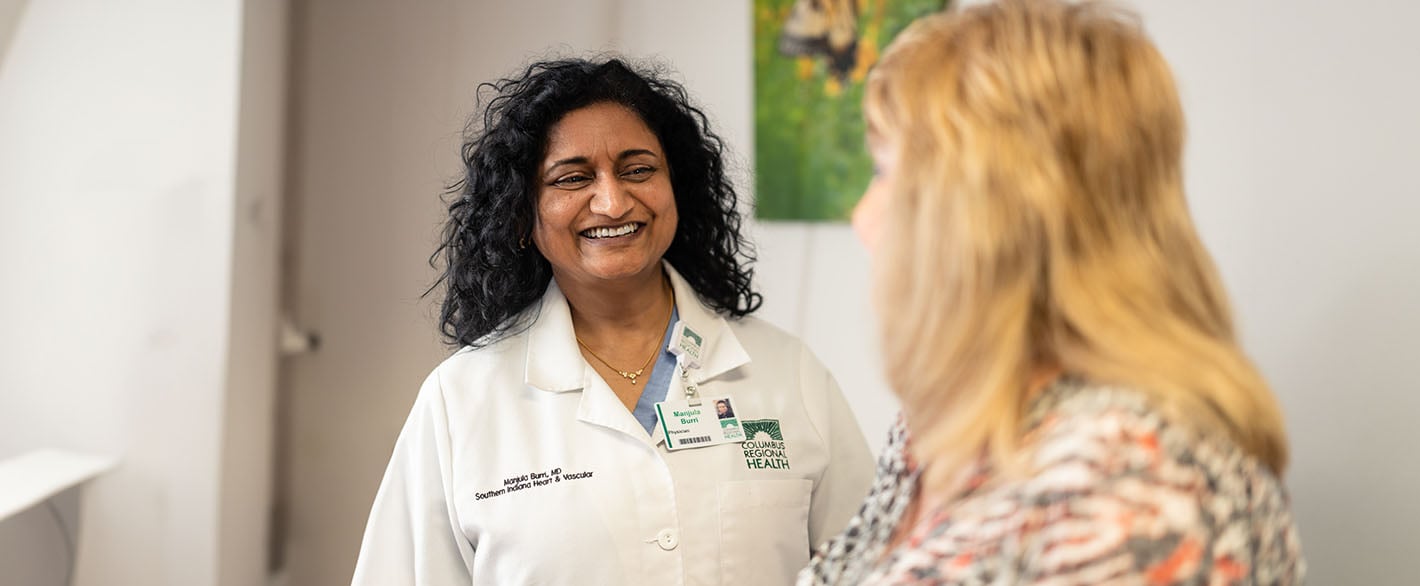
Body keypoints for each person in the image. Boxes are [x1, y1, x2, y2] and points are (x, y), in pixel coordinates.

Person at [800, 1, 1306, 584]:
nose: (863, 218)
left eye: (888, 174)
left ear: (995, 217)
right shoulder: (944, 422)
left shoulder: (1136, 494)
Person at [351, 58, 875, 586]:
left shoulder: (787, 373)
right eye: (573, 178)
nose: (613, 200)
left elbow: (878, 569)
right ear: (521, 215)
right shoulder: (461, 399)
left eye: (638, 169)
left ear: (678, 189)